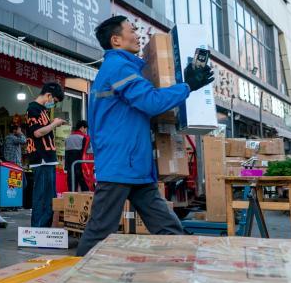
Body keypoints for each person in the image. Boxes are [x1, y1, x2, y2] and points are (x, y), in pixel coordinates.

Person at [75, 15, 214, 256]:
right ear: (116, 40)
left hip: (133, 165)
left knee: (167, 225)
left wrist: (184, 83)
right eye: (132, 30)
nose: (137, 35)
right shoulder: (119, 67)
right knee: (100, 232)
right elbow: (151, 102)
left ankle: (183, 264)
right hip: (121, 164)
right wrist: (187, 86)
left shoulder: (123, 68)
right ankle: (77, 275)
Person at [25, 82, 67, 228]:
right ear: (49, 95)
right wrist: (54, 124)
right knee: (42, 196)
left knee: (49, 197)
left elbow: (42, 130)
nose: (53, 104)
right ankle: (38, 229)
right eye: (54, 101)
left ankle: (44, 228)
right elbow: (37, 132)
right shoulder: (33, 109)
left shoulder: (42, 110)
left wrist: (53, 123)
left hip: (47, 159)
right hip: (41, 158)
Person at [64, 120, 92, 191]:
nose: (85, 131)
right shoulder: (85, 138)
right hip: (82, 167)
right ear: (82, 128)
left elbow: (66, 154)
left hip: (70, 167)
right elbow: (89, 154)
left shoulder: (68, 138)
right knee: (85, 189)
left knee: (72, 189)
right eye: (85, 129)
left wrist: (66, 167)